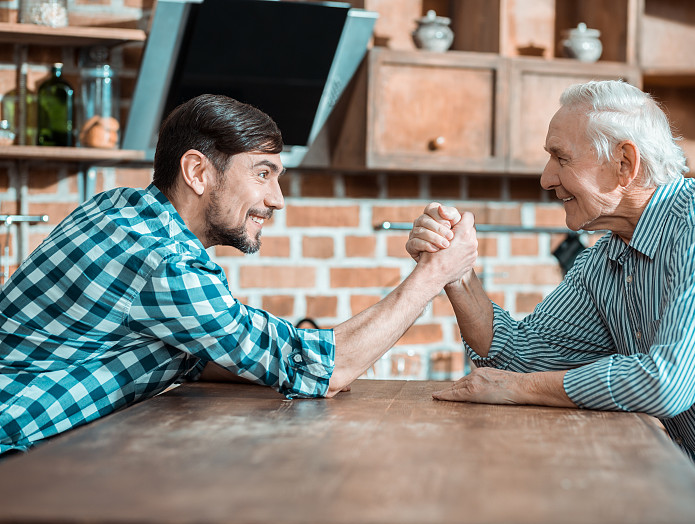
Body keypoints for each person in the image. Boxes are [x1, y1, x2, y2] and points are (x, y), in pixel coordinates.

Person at [406, 80, 695, 524]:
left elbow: (666, 383)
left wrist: (518, 388)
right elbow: (517, 354)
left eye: (561, 157)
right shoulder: (606, 258)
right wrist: (456, 274)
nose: (546, 177)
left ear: (625, 164)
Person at [0, 94, 477, 455]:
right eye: (262, 174)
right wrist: (434, 273)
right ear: (197, 172)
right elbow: (329, 369)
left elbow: (193, 353)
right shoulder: (163, 261)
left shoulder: (119, 208)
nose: (277, 200)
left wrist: (295, 362)